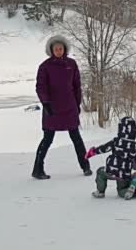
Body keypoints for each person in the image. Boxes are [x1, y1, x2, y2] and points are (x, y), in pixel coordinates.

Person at [32, 35, 91, 180]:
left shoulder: (71, 64)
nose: (59, 51)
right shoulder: (45, 66)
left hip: (69, 107)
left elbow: (77, 86)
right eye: (56, 49)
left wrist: (77, 104)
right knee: (47, 139)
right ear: (51, 50)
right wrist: (46, 104)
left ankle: (86, 167)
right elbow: (40, 87)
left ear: (65, 49)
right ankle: (37, 169)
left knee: (76, 137)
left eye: (61, 48)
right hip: (52, 108)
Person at [85, 117, 136, 199]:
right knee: (121, 189)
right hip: (124, 174)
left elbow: (104, 148)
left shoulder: (116, 141)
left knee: (100, 172)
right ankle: (127, 191)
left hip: (111, 171)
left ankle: (100, 192)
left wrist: (93, 152)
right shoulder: (135, 145)